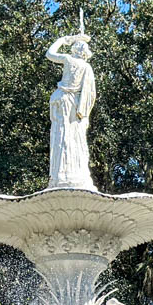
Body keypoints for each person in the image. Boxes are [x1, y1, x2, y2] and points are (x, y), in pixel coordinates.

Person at [45, 31, 96, 190]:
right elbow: (90, 93)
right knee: (73, 137)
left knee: (61, 135)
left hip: (61, 100)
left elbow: (49, 53)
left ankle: (61, 173)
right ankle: (70, 173)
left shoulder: (68, 59)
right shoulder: (86, 67)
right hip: (73, 103)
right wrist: (85, 114)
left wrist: (63, 39)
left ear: (75, 49)